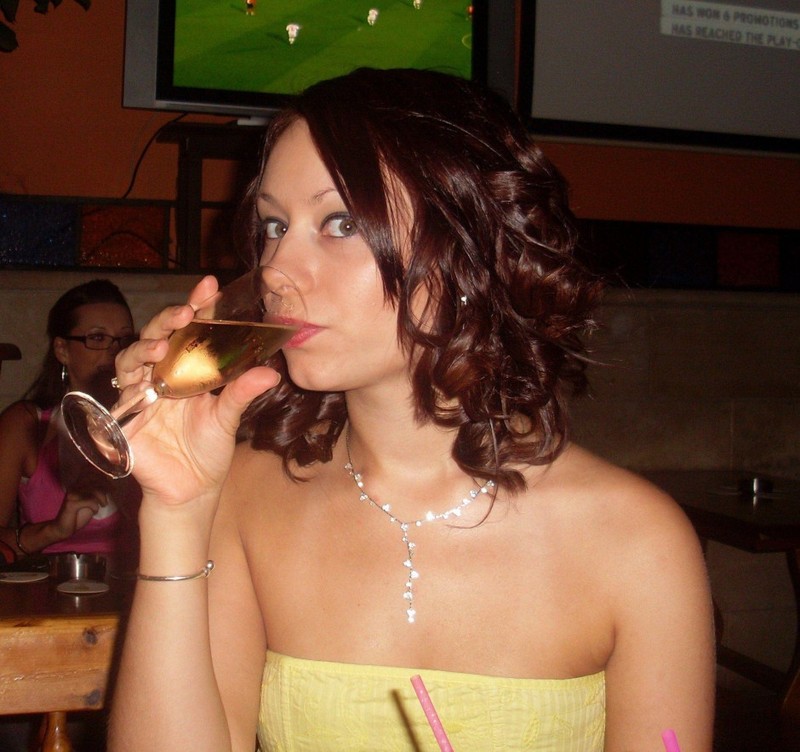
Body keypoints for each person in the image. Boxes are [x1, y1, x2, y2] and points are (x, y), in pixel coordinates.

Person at [109, 68, 715, 751]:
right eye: (274, 225)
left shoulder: (637, 542)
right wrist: (176, 512)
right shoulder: (245, 498)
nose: (276, 269)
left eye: (339, 223)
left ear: (468, 241)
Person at [0, 279, 140, 562]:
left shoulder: (148, 421)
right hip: (47, 584)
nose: (113, 350)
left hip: (131, 583)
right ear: (62, 350)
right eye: (97, 338)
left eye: (124, 339)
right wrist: (54, 530)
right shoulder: (26, 423)